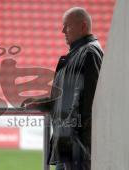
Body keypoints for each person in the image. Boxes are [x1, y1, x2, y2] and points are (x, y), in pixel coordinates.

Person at [21, 7, 103, 170]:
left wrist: (71, 137)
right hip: (68, 146)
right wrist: (40, 102)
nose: (62, 30)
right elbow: (63, 99)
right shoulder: (77, 53)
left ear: (83, 26)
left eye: (67, 26)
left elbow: (87, 102)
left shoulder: (89, 53)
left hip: (76, 148)